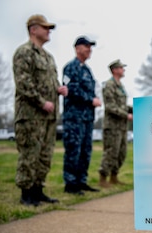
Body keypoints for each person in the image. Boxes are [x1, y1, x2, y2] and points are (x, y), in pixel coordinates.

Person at [13, 14, 68, 206]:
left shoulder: (48, 57)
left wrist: (59, 89)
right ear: (33, 29)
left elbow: (49, 83)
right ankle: (26, 193)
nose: (49, 31)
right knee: (30, 154)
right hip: (30, 115)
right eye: (45, 27)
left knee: (45, 155)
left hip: (48, 117)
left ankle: (38, 190)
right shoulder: (24, 52)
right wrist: (41, 102)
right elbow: (23, 83)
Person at [62, 36, 101, 195]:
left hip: (87, 118)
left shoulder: (87, 70)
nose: (89, 49)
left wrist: (95, 98)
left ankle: (81, 181)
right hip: (74, 117)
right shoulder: (70, 67)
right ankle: (70, 183)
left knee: (86, 150)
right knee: (73, 150)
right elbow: (69, 89)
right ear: (77, 48)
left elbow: (91, 89)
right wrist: (90, 99)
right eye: (86, 46)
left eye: (90, 47)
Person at [98, 59, 133, 187]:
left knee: (121, 153)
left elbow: (122, 105)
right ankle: (103, 178)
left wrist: (134, 109)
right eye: (121, 68)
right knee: (111, 152)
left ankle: (114, 176)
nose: (123, 70)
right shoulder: (109, 85)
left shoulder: (121, 86)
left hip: (122, 127)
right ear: (114, 70)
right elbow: (110, 106)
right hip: (112, 126)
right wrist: (126, 115)